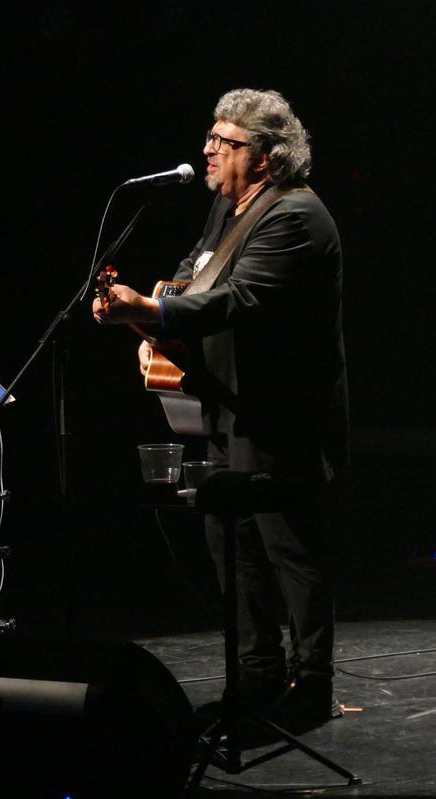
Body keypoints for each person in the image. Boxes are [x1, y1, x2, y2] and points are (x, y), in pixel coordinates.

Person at [93, 88, 348, 728]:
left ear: (263, 156)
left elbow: (239, 298)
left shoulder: (295, 217)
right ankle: (257, 675)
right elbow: (194, 275)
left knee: (289, 548)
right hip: (226, 404)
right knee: (230, 540)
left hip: (281, 414)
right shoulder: (228, 209)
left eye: (223, 141)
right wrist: (142, 313)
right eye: (210, 137)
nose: (207, 150)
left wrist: (150, 311)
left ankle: (312, 686)